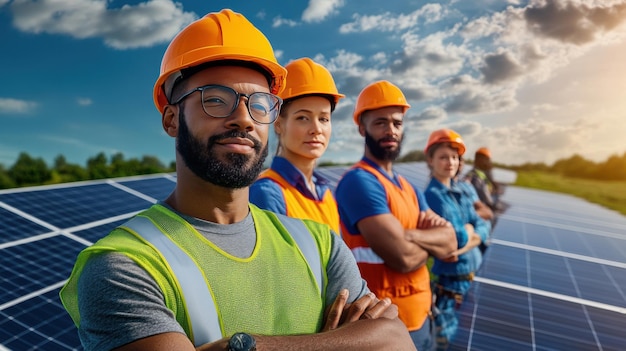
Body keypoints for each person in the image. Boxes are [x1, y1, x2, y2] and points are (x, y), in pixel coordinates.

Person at [59, 10, 416, 351]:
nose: (244, 118)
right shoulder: (123, 266)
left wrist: (245, 346)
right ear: (171, 119)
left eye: (259, 103)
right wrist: (338, 343)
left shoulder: (321, 246)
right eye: (215, 99)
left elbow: (394, 342)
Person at [335, 80, 457, 351]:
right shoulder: (360, 182)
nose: (390, 130)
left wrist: (410, 235)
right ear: (361, 128)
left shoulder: (409, 187)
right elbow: (402, 258)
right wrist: (431, 243)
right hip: (385, 330)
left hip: (422, 318)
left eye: (397, 123)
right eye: (380, 122)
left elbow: (450, 242)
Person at [250, 57, 344, 233]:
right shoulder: (267, 193)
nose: (316, 129)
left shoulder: (325, 192)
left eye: (324, 119)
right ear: (278, 124)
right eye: (303, 118)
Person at [423, 129, 491, 350]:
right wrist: (470, 235)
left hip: (471, 277)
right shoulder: (431, 196)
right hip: (450, 285)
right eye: (443, 157)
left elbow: (484, 225)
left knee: (469, 337)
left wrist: (466, 241)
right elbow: (453, 240)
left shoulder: (458, 191)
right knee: (449, 341)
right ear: (430, 160)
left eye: (454, 157)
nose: (450, 162)